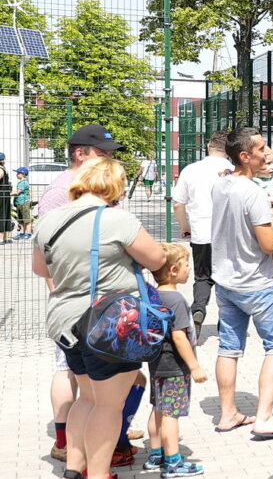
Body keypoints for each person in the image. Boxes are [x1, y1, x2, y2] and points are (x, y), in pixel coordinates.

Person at [31, 156, 167, 479]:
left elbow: (40, 269)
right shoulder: (117, 220)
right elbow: (157, 258)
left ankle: (75, 469)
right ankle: (99, 473)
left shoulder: (48, 221)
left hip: (64, 323)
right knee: (108, 406)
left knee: (87, 398)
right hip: (108, 325)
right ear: (113, 185)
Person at [35, 123, 138, 465]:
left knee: (96, 391)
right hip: (83, 311)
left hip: (83, 307)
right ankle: (74, 445)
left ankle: (106, 438)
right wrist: (65, 292)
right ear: (80, 154)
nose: (108, 160)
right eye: (102, 154)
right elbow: (47, 257)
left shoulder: (92, 193)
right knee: (76, 379)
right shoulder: (59, 192)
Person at [210, 126, 273, 438]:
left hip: (226, 281)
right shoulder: (254, 194)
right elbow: (270, 244)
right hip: (258, 284)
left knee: (229, 347)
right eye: (260, 149)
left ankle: (227, 413)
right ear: (245, 156)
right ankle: (265, 417)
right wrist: (272, 206)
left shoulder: (221, 185)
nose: (266, 152)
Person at [142, 243, 207, 478]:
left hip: (157, 363)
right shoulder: (176, 300)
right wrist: (194, 366)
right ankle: (173, 462)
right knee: (171, 413)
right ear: (172, 270)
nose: (189, 269)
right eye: (186, 264)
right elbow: (180, 337)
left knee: (158, 408)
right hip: (174, 365)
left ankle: (155, 455)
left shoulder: (153, 295)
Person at [172, 131, 234, 336]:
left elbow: (179, 204)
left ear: (208, 146)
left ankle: (198, 309)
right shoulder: (233, 171)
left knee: (203, 277)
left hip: (201, 232)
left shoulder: (191, 170)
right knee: (228, 277)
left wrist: (184, 227)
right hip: (228, 234)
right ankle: (227, 321)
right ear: (229, 149)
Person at [14, 166, 33, 239]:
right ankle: (22, 232)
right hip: (19, 202)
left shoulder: (23, 182)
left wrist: (8, 193)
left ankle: (28, 233)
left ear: (23, 174)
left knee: (26, 219)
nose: (17, 174)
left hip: (24, 202)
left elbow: (18, 192)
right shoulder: (21, 182)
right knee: (21, 219)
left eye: (18, 173)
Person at [0, 153, 11, 245]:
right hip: (6, 194)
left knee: (1, 215)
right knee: (6, 215)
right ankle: (6, 237)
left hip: (1, 195)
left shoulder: (0, 170)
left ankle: (0, 238)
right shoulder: (5, 169)